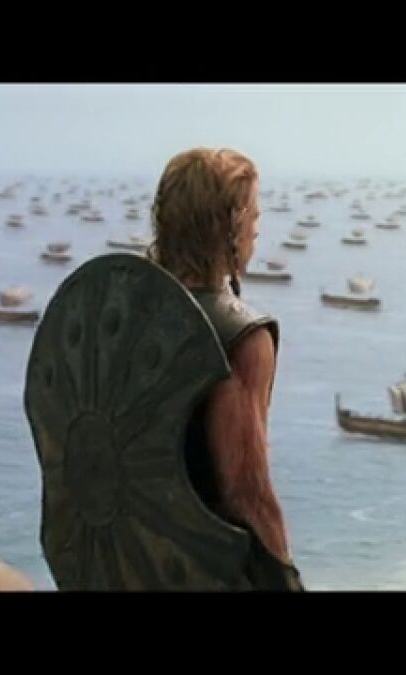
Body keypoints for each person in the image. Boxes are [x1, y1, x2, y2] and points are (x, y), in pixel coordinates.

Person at [24, 148, 302, 591]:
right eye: (253, 214)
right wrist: (287, 578)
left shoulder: (119, 314)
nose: (257, 228)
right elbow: (246, 493)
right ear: (230, 224)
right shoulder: (243, 337)